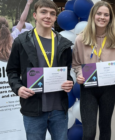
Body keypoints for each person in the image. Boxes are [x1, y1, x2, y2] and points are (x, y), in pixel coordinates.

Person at [6, 0, 73, 140]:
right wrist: (18, 88)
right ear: (35, 15)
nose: (48, 16)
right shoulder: (21, 42)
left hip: (59, 110)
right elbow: (12, 71)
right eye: (44, 12)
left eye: (52, 13)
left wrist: (69, 82)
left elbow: (67, 73)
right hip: (33, 109)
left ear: (55, 18)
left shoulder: (64, 44)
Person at [72, 1, 115, 140]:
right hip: (88, 88)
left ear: (110, 18)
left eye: (106, 15)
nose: (102, 17)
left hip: (108, 88)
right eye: (99, 13)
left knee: (105, 127)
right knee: (89, 133)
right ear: (93, 16)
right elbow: (76, 64)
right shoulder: (81, 39)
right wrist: (79, 74)